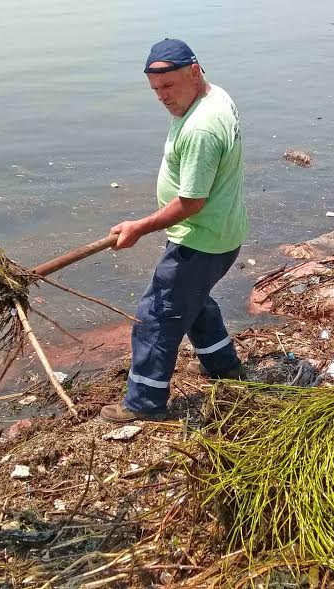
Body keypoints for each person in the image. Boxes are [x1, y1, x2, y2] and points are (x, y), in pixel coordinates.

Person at [100, 39, 249, 423]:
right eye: (155, 90)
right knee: (192, 298)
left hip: (200, 236)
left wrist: (139, 227)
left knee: (157, 314)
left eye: (168, 87)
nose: (162, 97)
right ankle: (222, 366)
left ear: (195, 72)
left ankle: (144, 403)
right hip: (220, 232)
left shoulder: (202, 127)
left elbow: (191, 202)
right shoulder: (214, 97)